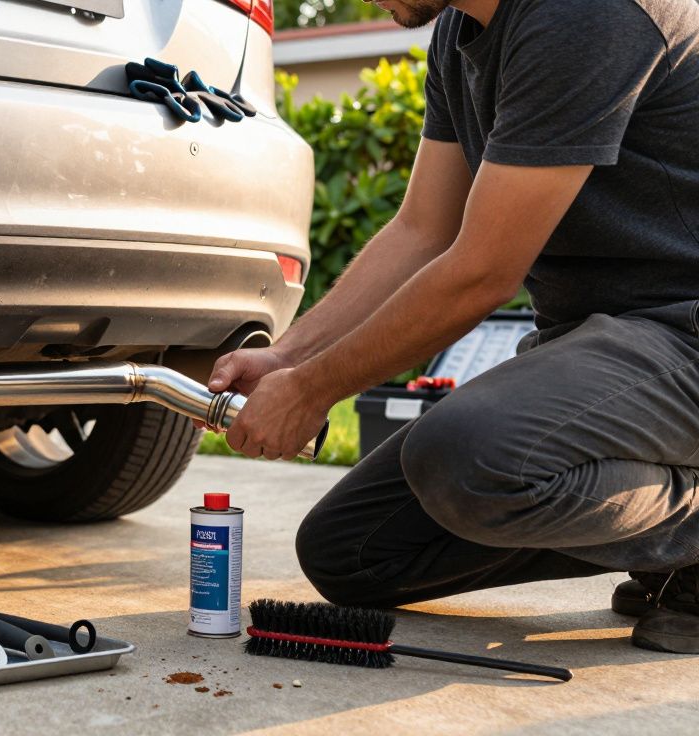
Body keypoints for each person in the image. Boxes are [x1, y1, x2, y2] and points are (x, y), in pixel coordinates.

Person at [209, 0, 699, 653]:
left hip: (684, 334)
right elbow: (424, 231)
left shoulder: (585, 13)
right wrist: (289, 358)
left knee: (468, 457)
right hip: (611, 347)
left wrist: (312, 389)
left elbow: (482, 271)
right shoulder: (460, 33)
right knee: (351, 554)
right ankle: (665, 547)